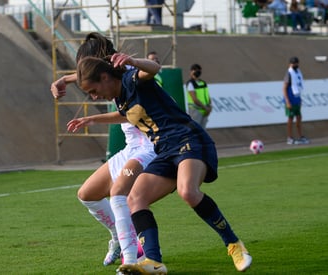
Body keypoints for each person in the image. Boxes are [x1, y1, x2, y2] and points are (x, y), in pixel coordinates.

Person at [71, 53, 252, 274]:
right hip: (164, 150)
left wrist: (134, 61)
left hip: (188, 139)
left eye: (93, 91)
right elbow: (125, 114)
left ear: (105, 77)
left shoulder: (131, 79)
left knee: (187, 191)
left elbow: (154, 68)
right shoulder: (121, 97)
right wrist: (91, 119)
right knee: (134, 199)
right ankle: (154, 263)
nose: (94, 97)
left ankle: (234, 244)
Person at [50, 32, 157, 267]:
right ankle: (119, 238)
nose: (82, 77)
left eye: (85, 69)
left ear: (103, 67)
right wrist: (62, 81)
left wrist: (93, 119)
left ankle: (131, 260)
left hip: (150, 148)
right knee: (86, 194)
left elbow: (129, 110)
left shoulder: (129, 77)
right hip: (132, 149)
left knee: (118, 193)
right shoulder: (109, 77)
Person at [283, 56, 310, 145]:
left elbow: (298, 87)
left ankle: (301, 136)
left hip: (297, 98)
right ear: (290, 64)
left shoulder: (298, 72)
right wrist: (287, 101)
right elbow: (284, 88)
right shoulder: (289, 73)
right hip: (290, 98)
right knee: (290, 118)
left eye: (296, 63)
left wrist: (300, 99)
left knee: (299, 117)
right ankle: (289, 137)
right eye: (293, 63)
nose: (295, 64)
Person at [185, 64, 212, 129]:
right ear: (191, 71)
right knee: (196, 130)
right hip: (196, 110)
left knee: (203, 130)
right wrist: (206, 108)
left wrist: (209, 107)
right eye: (195, 70)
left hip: (205, 110)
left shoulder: (203, 83)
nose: (197, 72)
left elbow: (207, 96)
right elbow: (195, 99)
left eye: (198, 70)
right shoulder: (190, 83)